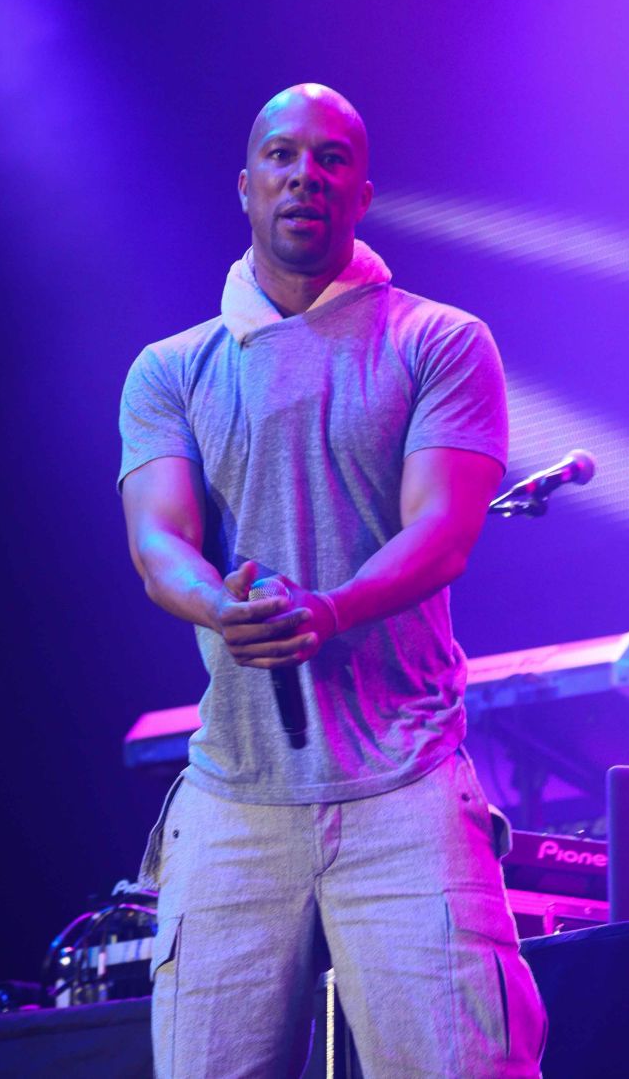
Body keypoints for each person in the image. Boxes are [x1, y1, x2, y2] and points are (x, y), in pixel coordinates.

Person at [118, 83, 546, 1078]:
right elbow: (158, 542)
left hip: (406, 786)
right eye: (281, 155)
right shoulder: (170, 371)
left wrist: (332, 609)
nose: (303, 174)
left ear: (362, 191)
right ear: (245, 185)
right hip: (236, 799)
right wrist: (224, 609)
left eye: (330, 158)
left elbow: (442, 531)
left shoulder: (438, 340)